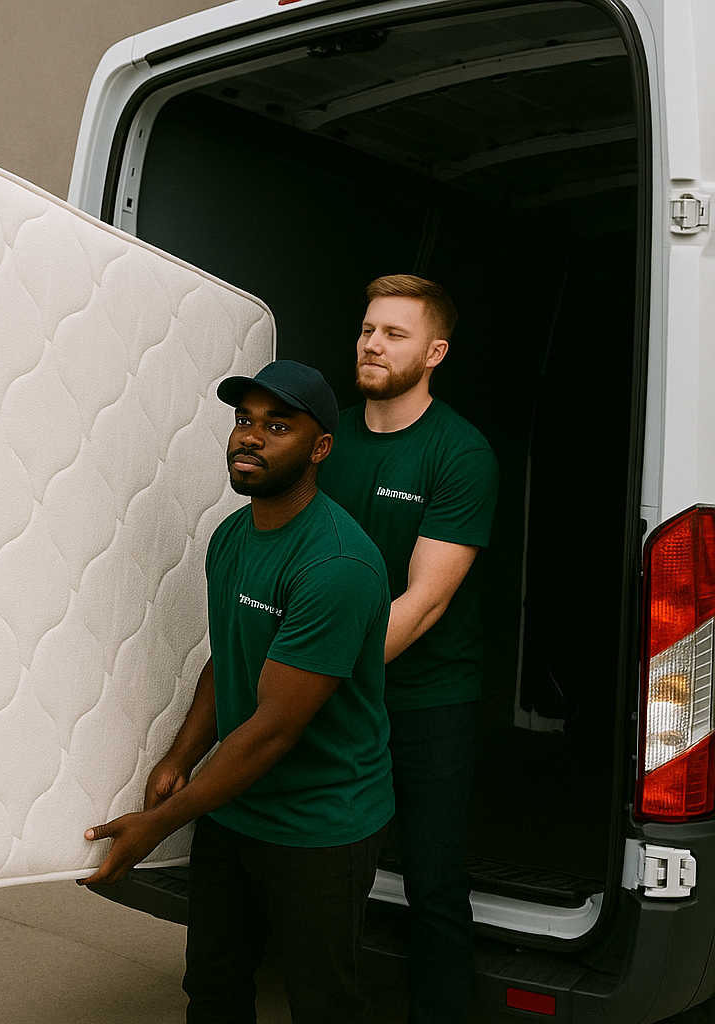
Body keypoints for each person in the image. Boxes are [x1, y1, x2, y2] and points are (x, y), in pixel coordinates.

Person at [80, 360, 394, 1024]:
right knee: (214, 987)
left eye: (277, 425)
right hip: (235, 811)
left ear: (320, 448)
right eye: (243, 420)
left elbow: (275, 728)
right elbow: (228, 665)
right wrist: (177, 758)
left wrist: (159, 824)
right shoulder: (231, 537)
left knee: (322, 1003)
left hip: (320, 824)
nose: (249, 437)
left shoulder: (337, 565)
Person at [316, 275, 498, 1024]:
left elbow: (423, 604)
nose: (372, 343)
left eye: (393, 333)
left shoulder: (460, 453)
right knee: (323, 878)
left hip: (428, 700)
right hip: (338, 690)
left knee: (433, 886)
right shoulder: (325, 439)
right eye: (367, 329)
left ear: (434, 352)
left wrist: (314, 678)